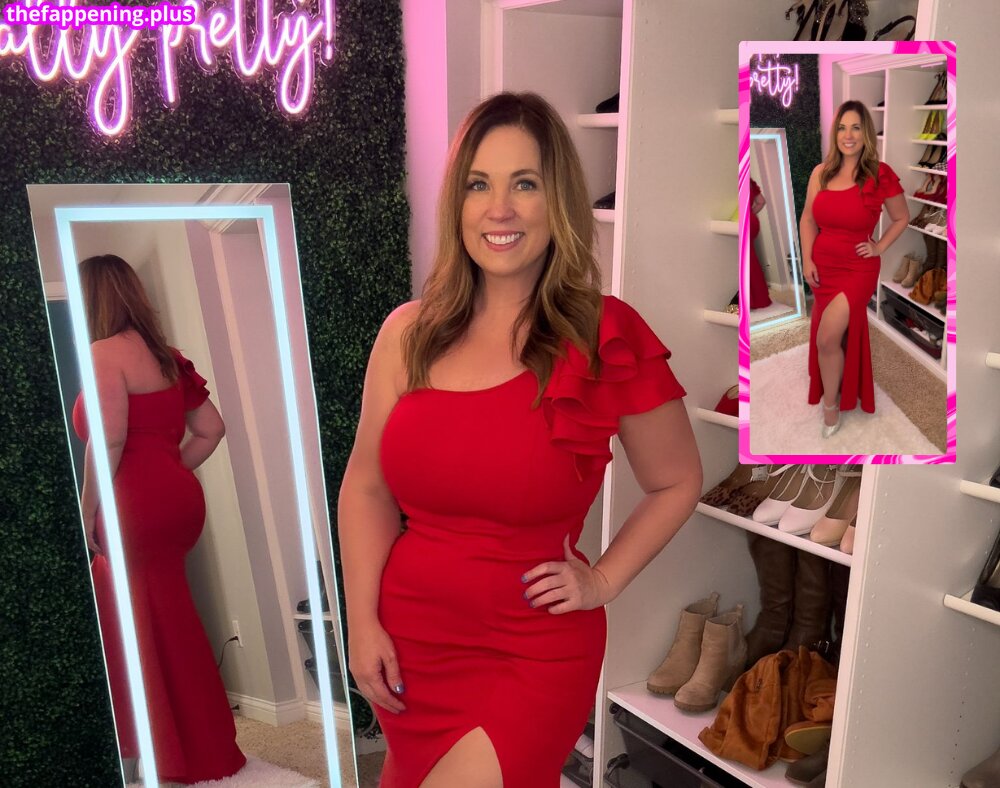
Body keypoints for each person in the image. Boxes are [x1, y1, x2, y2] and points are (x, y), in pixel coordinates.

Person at [338, 92, 703, 788]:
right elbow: (367, 488)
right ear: (457, 202)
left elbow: (677, 479)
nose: (498, 209)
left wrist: (602, 580)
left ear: (556, 200)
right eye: (479, 185)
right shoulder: (407, 334)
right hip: (412, 643)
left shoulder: (605, 336)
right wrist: (361, 624)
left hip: (531, 653)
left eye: (524, 184)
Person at [73, 255, 246, 784]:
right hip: (176, 500)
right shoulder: (167, 358)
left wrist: (86, 506)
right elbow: (212, 429)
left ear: (90, 300)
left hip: (131, 503)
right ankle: (200, 746)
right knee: (169, 613)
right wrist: (171, 469)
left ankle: (160, 750)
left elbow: (110, 438)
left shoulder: (103, 353)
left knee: (132, 618)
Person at [800, 99, 909, 438]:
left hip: (858, 269)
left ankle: (831, 405)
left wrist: (878, 246)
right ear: (836, 133)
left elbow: (901, 217)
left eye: (856, 128)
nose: (848, 135)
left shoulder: (880, 174)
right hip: (823, 266)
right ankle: (836, 386)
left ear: (866, 134)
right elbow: (808, 219)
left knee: (827, 338)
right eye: (842, 128)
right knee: (829, 336)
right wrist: (807, 258)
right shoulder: (820, 173)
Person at [748, 177, 773, 310]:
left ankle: (748, 302)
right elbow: (761, 202)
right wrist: (750, 213)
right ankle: (759, 299)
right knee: (751, 260)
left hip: (741, 221)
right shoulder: (749, 181)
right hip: (751, 221)